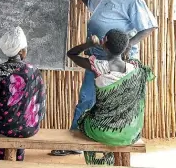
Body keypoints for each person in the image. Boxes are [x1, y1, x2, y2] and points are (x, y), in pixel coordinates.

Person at [50, 0, 158, 156]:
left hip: (117, 60)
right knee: (87, 98)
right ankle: (75, 143)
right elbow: (89, 2)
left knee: (112, 100)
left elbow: (149, 26)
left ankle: (117, 138)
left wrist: (127, 46)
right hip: (100, 56)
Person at [65, 29, 154, 165]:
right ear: (125, 47)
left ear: (104, 44)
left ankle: (102, 159)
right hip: (129, 131)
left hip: (100, 130)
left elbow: (71, 54)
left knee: (84, 118)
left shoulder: (98, 66)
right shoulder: (135, 68)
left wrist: (88, 44)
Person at [0, 26, 46, 161]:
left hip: (4, 127)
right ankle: (19, 158)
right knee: (23, 118)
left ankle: (2, 159)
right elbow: (40, 105)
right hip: (30, 128)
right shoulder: (34, 71)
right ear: (22, 51)